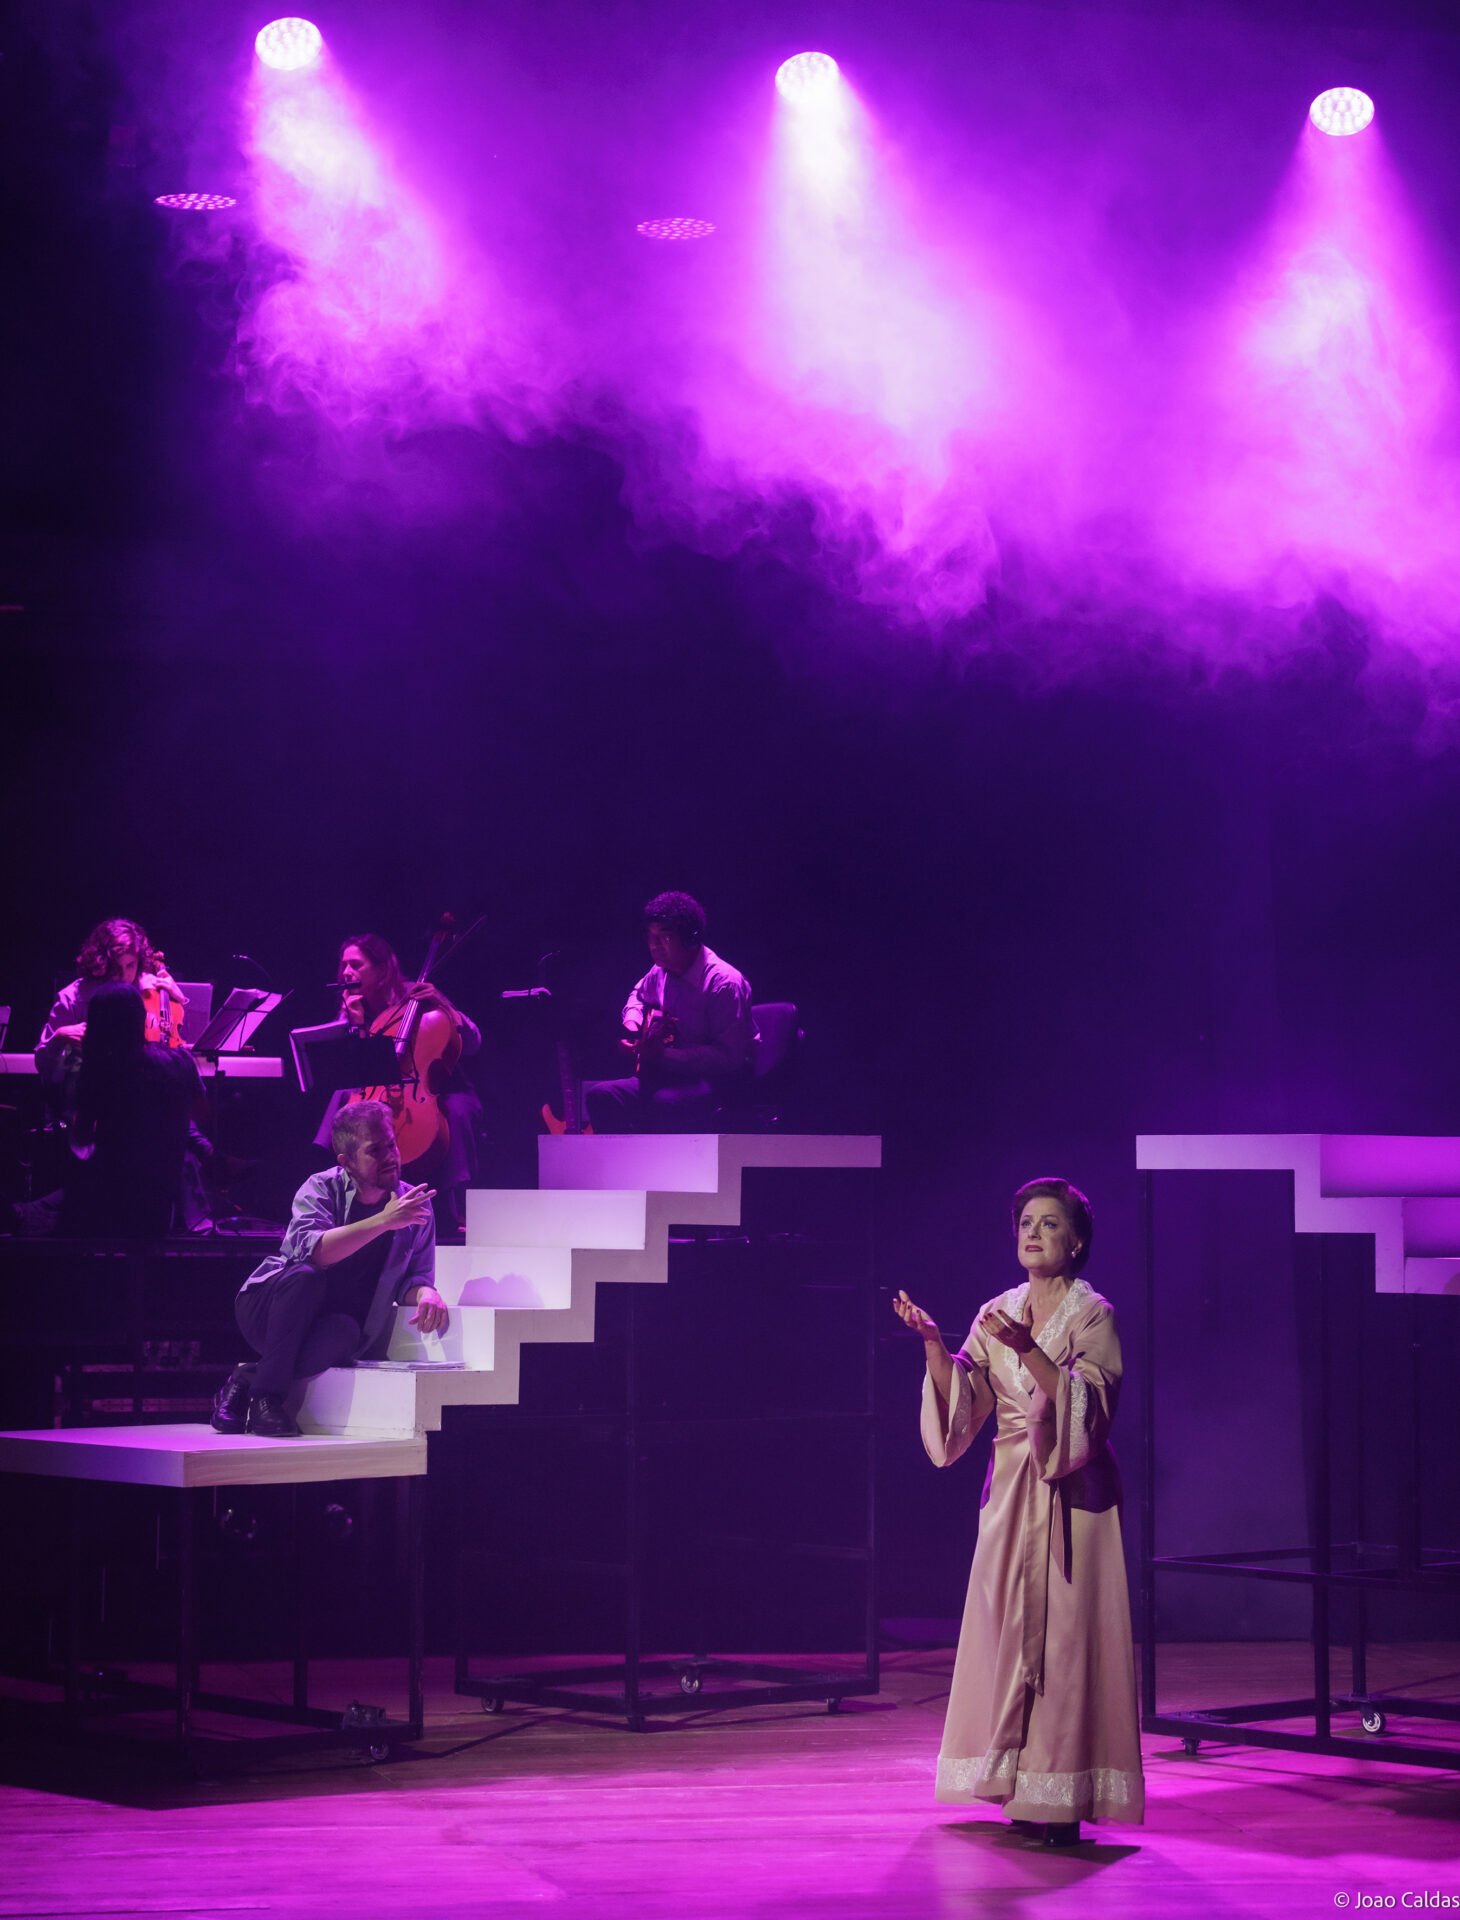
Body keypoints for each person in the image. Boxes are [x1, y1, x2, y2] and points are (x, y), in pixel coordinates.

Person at [894, 1177, 1144, 1846]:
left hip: (1073, 1494)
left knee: (1065, 1640)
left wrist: (1030, 1349)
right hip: (1008, 1496)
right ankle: (1019, 1787)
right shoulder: (996, 1310)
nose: (1034, 1232)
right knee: (1006, 1631)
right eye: (1027, 1222)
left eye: (1050, 1223)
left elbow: (1089, 1406)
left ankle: (1062, 1798)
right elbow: (968, 1404)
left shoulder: (1093, 1315)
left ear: (1077, 1241)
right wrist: (933, 1344)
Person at [212, 1099, 449, 1438]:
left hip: (326, 1323)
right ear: (347, 1162)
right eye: (375, 1150)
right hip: (269, 1308)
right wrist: (384, 1221)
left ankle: (247, 1378)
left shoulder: (412, 1203)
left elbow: (413, 1279)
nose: (390, 1156)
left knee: (347, 1333)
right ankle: (267, 1399)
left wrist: (427, 1293)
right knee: (307, 1278)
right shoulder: (321, 1187)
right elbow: (315, 1253)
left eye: (392, 1145)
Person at [312, 934, 484, 1236]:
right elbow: (355, 1066)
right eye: (344, 965)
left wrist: (442, 1004)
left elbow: (473, 1041)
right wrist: (356, 1024)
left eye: (356, 965)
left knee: (457, 1112)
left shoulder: (417, 994)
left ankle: (456, 1206)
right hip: (383, 1088)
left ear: (381, 969)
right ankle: (336, 1179)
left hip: (440, 1087)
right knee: (344, 1094)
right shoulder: (351, 1005)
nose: (347, 972)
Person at [584, 892, 756, 1132]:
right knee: (602, 1096)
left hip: (720, 1080)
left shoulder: (724, 984)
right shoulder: (661, 971)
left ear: (690, 938)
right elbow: (638, 995)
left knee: (665, 1102)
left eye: (664, 937)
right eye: (650, 936)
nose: (654, 945)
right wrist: (632, 1024)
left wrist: (666, 1055)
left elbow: (729, 1058)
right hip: (674, 1073)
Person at [58, 981, 201, 1237]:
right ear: (142, 1016)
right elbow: (202, 1115)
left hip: (112, 1205)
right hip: (164, 1201)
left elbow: (82, 1140)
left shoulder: (102, 1070)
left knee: (50, 1205)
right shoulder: (181, 1060)